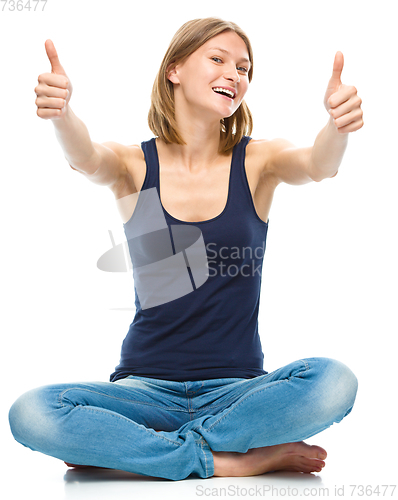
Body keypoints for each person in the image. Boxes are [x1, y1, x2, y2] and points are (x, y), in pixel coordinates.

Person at [9, 17, 363, 481]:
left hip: (237, 393)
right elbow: (86, 158)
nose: (234, 74)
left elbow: (318, 164)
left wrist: (338, 126)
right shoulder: (133, 165)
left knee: (335, 381)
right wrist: (62, 116)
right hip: (144, 392)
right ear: (174, 70)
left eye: (244, 68)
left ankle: (139, 452)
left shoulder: (257, 161)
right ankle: (234, 458)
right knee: (32, 411)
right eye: (217, 59)